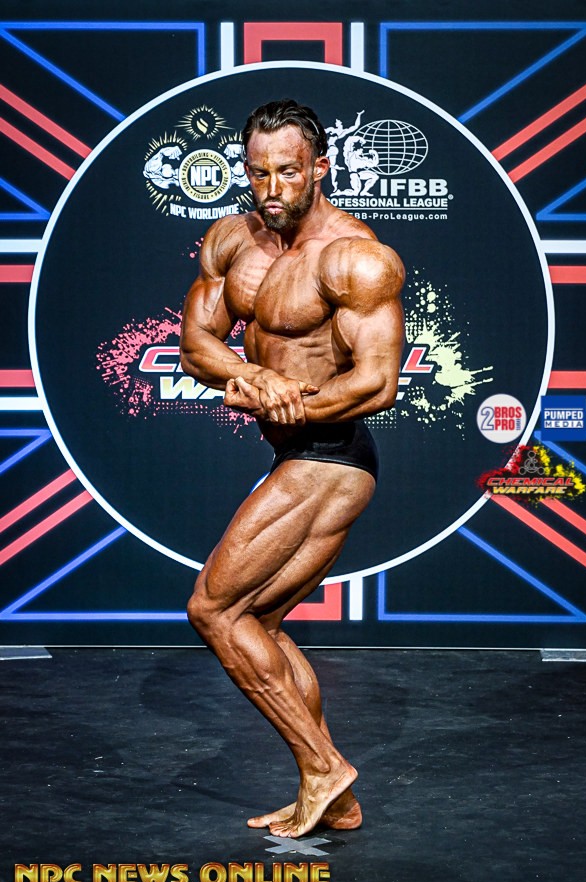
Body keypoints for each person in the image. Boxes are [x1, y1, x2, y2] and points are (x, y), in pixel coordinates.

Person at [180, 99, 405, 839]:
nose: (272, 188)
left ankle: (322, 767)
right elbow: (196, 345)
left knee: (214, 610)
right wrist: (252, 375)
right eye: (258, 173)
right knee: (259, 623)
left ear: (320, 169)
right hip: (296, 452)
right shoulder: (231, 241)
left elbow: (376, 383)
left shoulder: (354, 257)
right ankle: (337, 801)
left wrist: (288, 402)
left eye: (287, 171)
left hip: (332, 458)